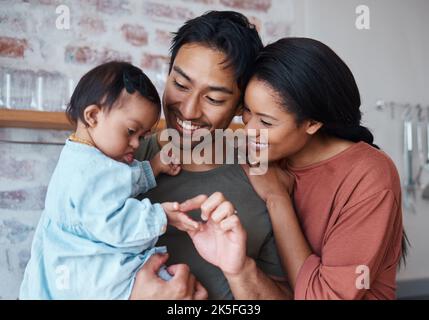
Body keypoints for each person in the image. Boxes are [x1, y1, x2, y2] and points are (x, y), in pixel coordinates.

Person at [135, 11, 290, 300]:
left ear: (239, 107)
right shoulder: (123, 160)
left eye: (214, 99)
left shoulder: (262, 177)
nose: (190, 110)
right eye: (180, 85)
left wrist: (241, 270)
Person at [19, 61, 207, 299]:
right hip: (89, 272)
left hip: (75, 267)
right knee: (173, 284)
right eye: (131, 131)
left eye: (143, 135)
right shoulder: (87, 171)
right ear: (93, 115)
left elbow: (116, 184)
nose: (137, 144)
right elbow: (113, 222)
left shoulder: (86, 158)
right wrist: (161, 216)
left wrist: (154, 167)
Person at [242, 37, 407, 299]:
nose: (249, 130)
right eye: (246, 111)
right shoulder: (266, 154)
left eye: (266, 122)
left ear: (312, 123)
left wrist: (278, 199)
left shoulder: (370, 175)